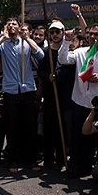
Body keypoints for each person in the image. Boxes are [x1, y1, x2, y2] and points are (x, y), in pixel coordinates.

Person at [58, 23, 98, 178]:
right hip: (80, 101)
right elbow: (63, 59)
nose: (92, 37)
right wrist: (66, 41)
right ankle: (80, 167)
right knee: (80, 138)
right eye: (90, 34)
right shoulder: (80, 52)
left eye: (96, 35)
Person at [0, 17, 44, 173]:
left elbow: (40, 55)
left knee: (30, 127)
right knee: (13, 128)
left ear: (20, 27)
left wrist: (28, 38)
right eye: (9, 24)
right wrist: (2, 37)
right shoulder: (3, 45)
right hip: (11, 91)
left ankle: (30, 159)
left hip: (28, 89)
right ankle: (13, 160)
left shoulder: (25, 42)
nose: (11, 26)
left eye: (14, 24)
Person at [36, 21, 66, 170]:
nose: (55, 35)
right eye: (52, 32)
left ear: (63, 33)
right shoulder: (45, 52)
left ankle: (61, 158)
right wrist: (48, 77)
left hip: (64, 96)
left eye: (57, 32)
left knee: (63, 129)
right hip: (49, 95)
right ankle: (48, 159)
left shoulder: (68, 51)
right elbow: (40, 71)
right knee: (49, 128)